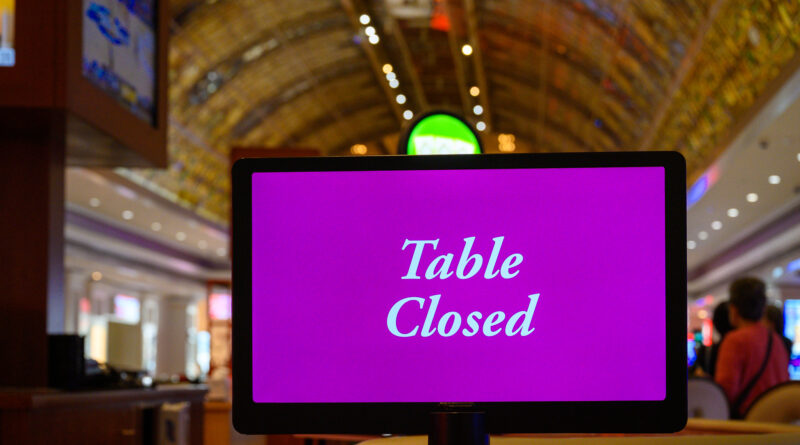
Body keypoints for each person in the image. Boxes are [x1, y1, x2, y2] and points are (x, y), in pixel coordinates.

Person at [715, 277, 789, 418]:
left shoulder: (734, 340)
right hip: (778, 419)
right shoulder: (775, 339)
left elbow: (726, 392)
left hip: (750, 420)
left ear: (734, 309)